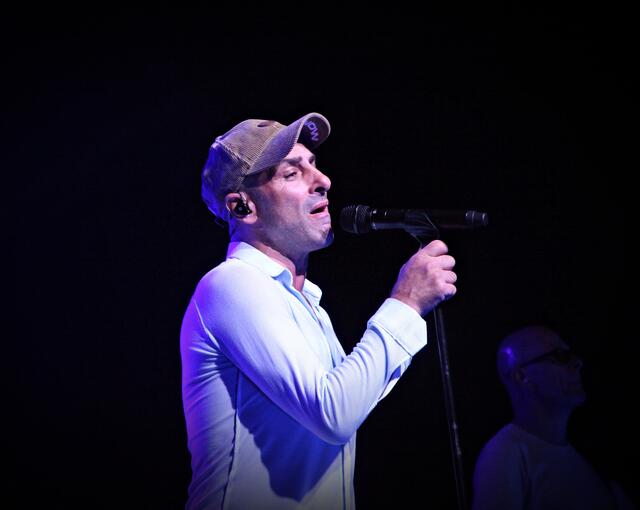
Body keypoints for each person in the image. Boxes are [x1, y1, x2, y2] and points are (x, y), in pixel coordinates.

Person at [180, 112, 457, 509]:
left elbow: (350, 402)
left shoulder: (308, 304)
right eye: (292, 173)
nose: (323, 180)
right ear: (243, 207)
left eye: (314, 164)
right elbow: (333, 414)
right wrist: (406, 302)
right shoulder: (232, 284)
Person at [471, 325, 636, 510]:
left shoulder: (593, 455)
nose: (577, 363)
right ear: (522, 376)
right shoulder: (503, 455)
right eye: (560, 356)